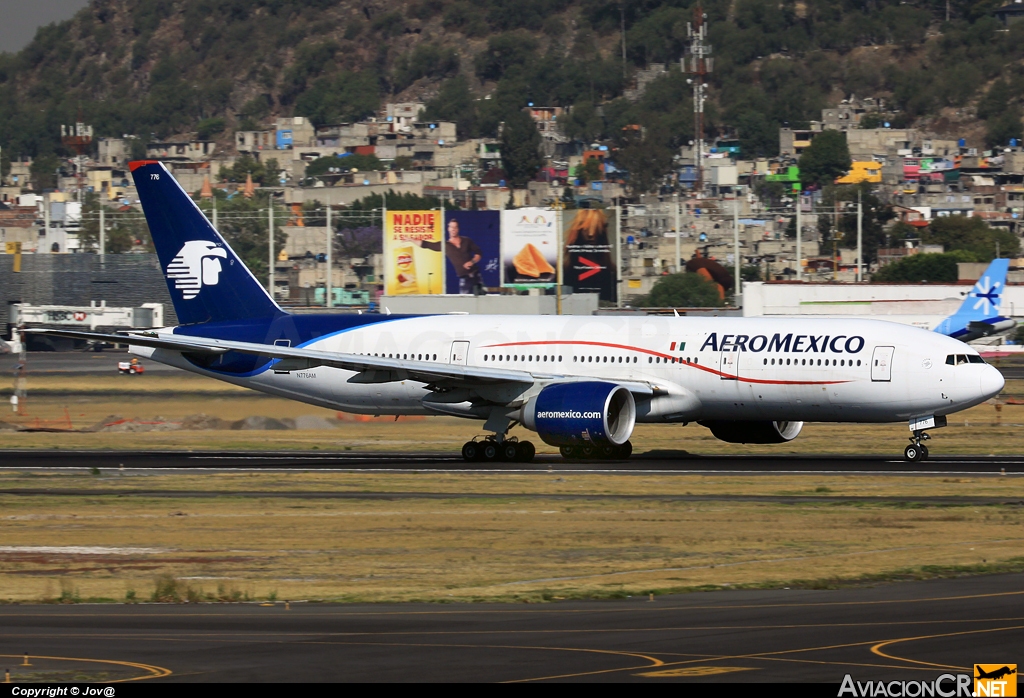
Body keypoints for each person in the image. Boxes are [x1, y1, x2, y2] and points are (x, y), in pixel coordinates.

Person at [417, 218, 484, 294]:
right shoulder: (446, 245)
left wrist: (472, 262)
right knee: (465, 301)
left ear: (458, 229)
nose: (453, 229)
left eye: (455, 227)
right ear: (448, 229)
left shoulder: (467, 240)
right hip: (464, 278)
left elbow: (479, 253)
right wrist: (411, 240)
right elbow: (427, 245)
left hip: (476, 275)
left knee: (482, 298)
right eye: (451, 227)